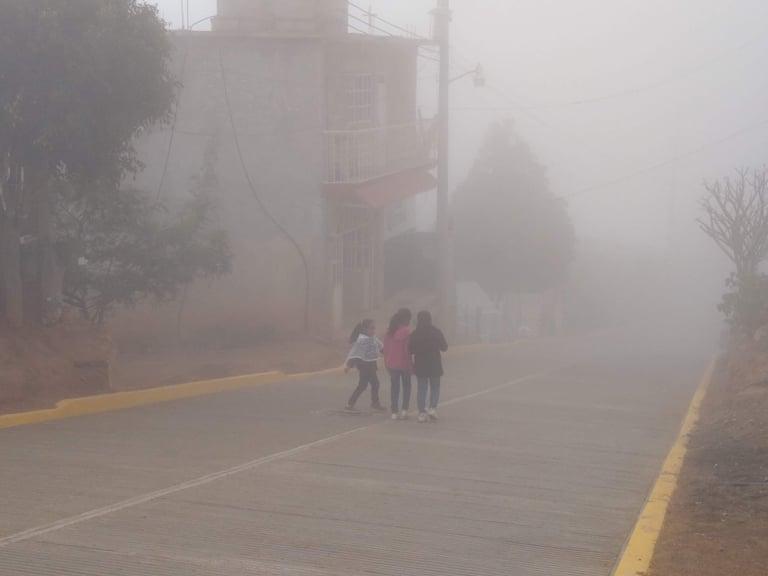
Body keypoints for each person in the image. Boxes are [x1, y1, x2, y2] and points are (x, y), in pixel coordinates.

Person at [409, 311, 448, 423]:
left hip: (420, 365)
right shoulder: (436, 332)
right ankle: (432, 408)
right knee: (435, 387)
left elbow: (410, 350)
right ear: (430, 319)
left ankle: (421, 413)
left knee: (422, 389)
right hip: (434, 364)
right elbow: (444, 347)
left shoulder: (415, 334)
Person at [344, 319, 385, 412]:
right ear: (364, 329)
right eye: (371, 328)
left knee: (369, 384)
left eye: (374, 328)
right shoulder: (362, 340)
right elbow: (355, 354)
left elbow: (381, 347)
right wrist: (349, 366)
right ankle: (352, 403)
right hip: (364, 366)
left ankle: (372, 403)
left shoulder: (373, 338)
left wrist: (388, 353)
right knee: (368, 385)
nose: (374, 330)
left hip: (371, 365)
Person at [383, 308, 413, 420]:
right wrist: (411, 365)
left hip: (392, 364)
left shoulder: (389, 332)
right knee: (406, 387)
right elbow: (407, 350)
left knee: (394, 388)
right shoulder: (407, 331)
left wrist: (386, 364)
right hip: (404, 364)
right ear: (406, 318)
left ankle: (394, 412)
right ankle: (404, 410)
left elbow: (385, 350)